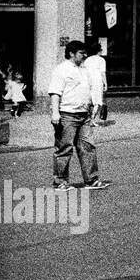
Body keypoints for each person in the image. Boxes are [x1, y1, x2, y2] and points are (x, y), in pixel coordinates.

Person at [49, 40, 107, 190]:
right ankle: (60, 181)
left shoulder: (84, 69)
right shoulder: (61, 70)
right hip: (67, 114)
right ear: (71, 54)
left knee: (88, 147)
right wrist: (55, 113)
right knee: (64, 148)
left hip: (84, 115)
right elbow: (55, 92)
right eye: (81, 53)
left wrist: (92, 104)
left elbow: (88, 89)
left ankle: (91, 180)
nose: (85, 55)